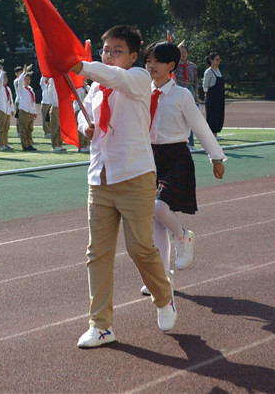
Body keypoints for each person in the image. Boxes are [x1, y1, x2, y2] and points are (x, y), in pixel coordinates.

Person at [72, 25, 177, 349]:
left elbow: (112, 77)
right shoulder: (95, 88)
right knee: (97, 253)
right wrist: (84, 126)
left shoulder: (137, 79)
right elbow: (84, 114)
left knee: (139, 248)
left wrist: (82, 66)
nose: (108, 55)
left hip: (134, 175)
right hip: (100, 176)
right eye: (105, 50)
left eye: (117, 50)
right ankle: (101, 325)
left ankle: (163, 297)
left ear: (134, 56)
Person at [141, 42, 226, 291]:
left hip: (176, 155)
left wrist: (216, 157)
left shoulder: (181, 95)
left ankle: (182, 235)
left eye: (156, 61)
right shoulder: (141, 92)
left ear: (171, 66)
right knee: (155, 220)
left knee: (159, 207)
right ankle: (163, 277)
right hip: (148, 157)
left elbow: (200, 127)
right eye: (147, 61)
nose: (150, 66)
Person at [173, 44, 200, 147]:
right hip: (178, 90)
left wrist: (197, 96)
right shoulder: (174, 65)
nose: (183, 55)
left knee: (190, 117)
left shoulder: (192, 66)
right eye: (180, 53)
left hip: (190, 90)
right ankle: (179, 142)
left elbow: (195, 81)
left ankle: (191, 143)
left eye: (184, 52)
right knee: (178, 116)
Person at [202, 52, 225, 137]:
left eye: (219, 59)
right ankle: (212, 134)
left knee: (219, 114)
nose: (219, 61)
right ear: (211, 60)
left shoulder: (218, 70)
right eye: (217, 59)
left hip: (220, 97)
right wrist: (206, 93)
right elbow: (205, 84)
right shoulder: (209, 71)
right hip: (212, 96)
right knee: (213, 114)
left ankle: (216, 133)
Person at [16, 72, 38, 151]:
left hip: (30, 112)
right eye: (25, 79)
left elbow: (33, 102)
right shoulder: (21, 88)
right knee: (23, 129)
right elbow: (20, 80)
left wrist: (34, 112)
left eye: (28, 79)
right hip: (24, 111)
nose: (27, 81)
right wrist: (24, 72)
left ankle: (30, 144)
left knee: (29, 129)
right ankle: (25, 145)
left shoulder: (31, 89)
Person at [0, 67, 14, 151]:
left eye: (6, 78)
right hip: (2, 109)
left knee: (6, 128)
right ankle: (1, 144)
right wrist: (1, 73)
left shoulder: (8, 88)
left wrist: (12, 109)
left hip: (7, 110)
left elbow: (11, 100)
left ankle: (6, 143)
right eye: (3, 78)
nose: (5, 79)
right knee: (1, 128)